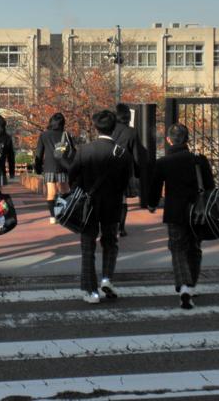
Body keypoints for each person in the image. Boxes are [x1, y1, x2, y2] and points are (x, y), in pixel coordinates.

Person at [148, 123, 215, 310]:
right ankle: (191, 284)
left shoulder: (163, 163)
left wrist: (152, 204)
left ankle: (184, 286)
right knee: (194, 248)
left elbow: (155, 188)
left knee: (177, 249)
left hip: (175, 212)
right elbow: (210, 186)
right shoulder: (199, 159)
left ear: (169, 140)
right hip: (198, 212)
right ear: (187, 140)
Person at [67, 110, 131, 304]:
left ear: (95, 127)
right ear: (114, 127)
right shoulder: (121, 152)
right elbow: (126, 181)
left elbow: (72, 176)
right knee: (110, 243)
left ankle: (90, 291)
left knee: (88, 247)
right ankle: (107, 279)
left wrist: (81, 189)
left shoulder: (84, 150)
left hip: (88, 205)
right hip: (113, 204)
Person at [112, 103, 150, 237]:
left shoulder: (108, 129)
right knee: (122, 200)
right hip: (123, 169)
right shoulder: (131, 132)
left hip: (106, 168)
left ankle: (108, 225)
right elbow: (136, 155)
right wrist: (138, 172)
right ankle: (121, 228)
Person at [34, 112, 75, 224]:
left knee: (51, 192)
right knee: (65, 191)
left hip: (49, 166)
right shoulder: (66, 134)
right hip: (63, 166)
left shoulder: (44, 135)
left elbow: (39, 153)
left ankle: (53, 216)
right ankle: (62, 213)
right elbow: (73, 151)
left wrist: (37, 167)